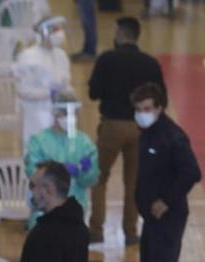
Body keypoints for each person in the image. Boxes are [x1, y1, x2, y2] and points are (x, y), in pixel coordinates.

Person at [88, 17, 164, 245]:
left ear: (120, 34)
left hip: (111, 126)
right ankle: (131, 232)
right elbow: (163, 99)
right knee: (134, 182)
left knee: (99, 178)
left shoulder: (107, 59)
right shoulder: (150, 63)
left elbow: (93, 93)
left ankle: (96, 230)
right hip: (142, 129)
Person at [133, 82, 200, 262]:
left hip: (168, 220)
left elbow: (192, 172)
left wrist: (166, 201)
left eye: (147, 108)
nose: (142, 113)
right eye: (138, 109)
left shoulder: (172, 137)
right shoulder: (147, 132)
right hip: (151, 220)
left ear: (159, 108)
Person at [24, 90, 99, 227]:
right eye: (65, 114)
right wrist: (58, 171)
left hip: (75, 211)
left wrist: (85, 172)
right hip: (44, 210)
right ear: (55, 113)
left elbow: (91, 179)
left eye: (73, 114)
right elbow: (32, 171)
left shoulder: (84, 142)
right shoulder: (40, 141)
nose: (69, 118)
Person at [13, 15, 72, 147]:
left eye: (60, 29)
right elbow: (22, 90)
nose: (60, 33)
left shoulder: (61, 56)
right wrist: (49, 94)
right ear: (44, 32)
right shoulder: (28, 57)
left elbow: (66, 84)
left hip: (61, 117)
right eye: (55, 29)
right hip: (36, 115)